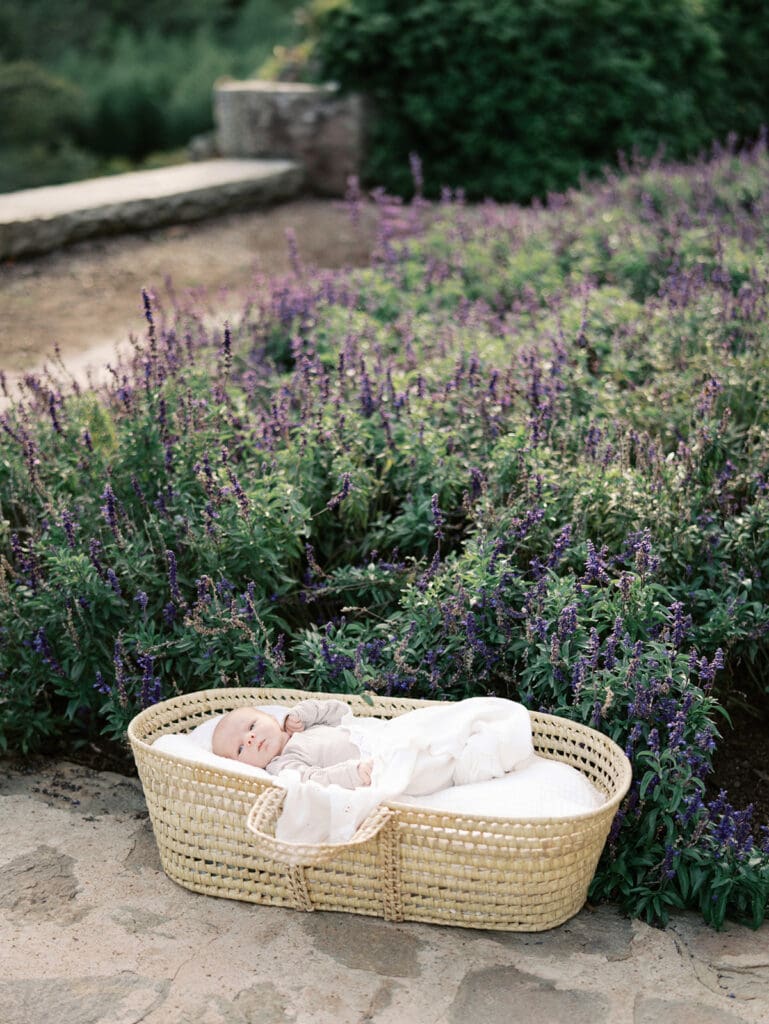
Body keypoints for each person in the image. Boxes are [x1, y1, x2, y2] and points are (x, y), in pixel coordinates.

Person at [212, 698, 373, 789]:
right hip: (369, 771)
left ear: (273, 718)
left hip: (377, 739)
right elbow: (314, 781)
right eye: (240, 749)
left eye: (251, 726)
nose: (249, 738)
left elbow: (339, 711)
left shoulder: (302, 726)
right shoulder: (283, 765)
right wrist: (353, 774)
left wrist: (300, 714)